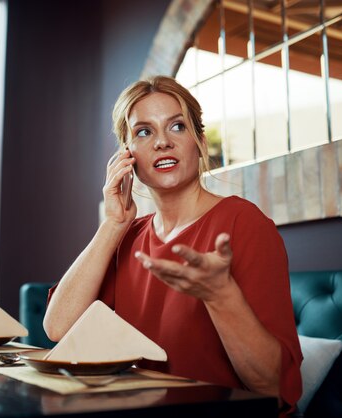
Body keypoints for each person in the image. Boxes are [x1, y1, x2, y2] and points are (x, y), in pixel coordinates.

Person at [43, 76, 302, 413]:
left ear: (200, 143)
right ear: (127, 156)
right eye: (144, 132)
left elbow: (270, 384)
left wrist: (219, 295)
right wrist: (112, 225)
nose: (162, 142)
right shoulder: (127, 236)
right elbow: (58, 327)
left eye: (177, 127)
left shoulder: (244, 223)